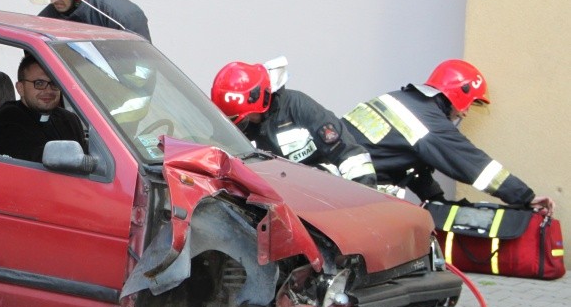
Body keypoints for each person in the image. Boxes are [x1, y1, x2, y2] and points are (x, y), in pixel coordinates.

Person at [341, 59, 555, 214]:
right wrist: (525, 197)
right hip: (349, 193)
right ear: (459, 92)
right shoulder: (428, 124)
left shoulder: (399, 101)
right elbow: (471, 163)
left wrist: (435, 200)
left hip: (334, 180)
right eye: (470, 103)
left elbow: (407, 165)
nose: (466, 112)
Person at [211, 57, 377, 187]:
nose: (243, 125)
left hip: (326, 195)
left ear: (262, 99)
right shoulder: (239, 128)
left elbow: (349, 155)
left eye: (246, 118)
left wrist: (364, 199)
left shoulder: (298, 107)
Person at [0, 54, 87, 162]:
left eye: (54, 83)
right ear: (20, 88)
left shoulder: (69, 119)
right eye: (39, 83)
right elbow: (34, 161)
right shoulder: (8, 118)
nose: (48, 91)